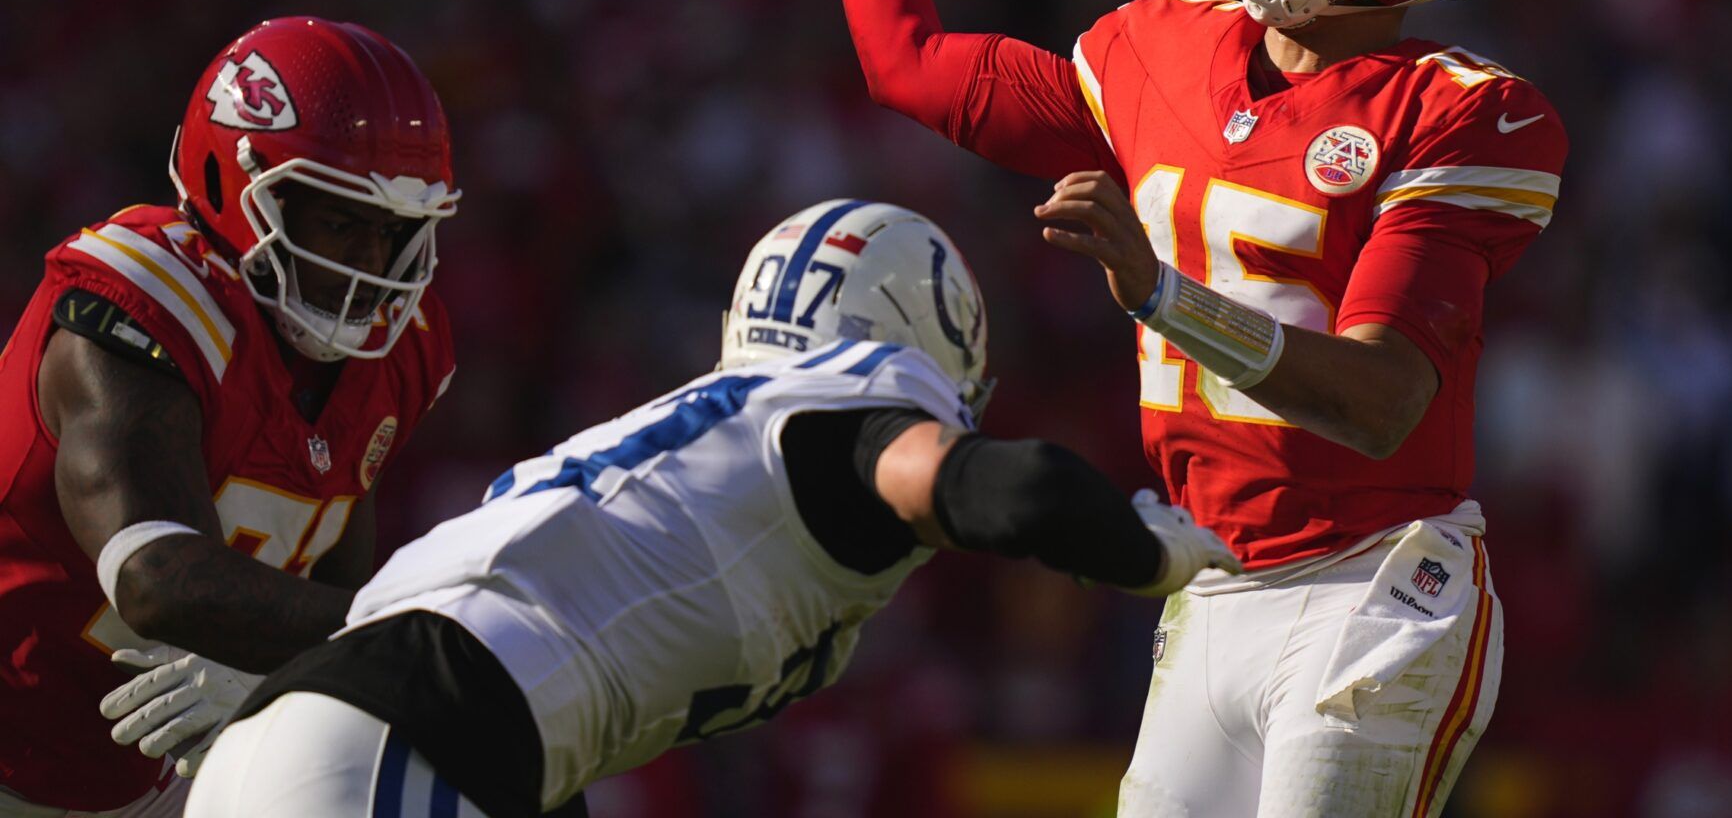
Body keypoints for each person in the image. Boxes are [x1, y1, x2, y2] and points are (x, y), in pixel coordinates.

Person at [813, 0, 1567, 816]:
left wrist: (1161, 293)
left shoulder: (1459, 113)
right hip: (1210, 582)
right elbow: (910, 61)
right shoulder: (1158, 48)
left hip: (1375, 582)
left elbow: (1379, 400)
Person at [183, 199, 1241, 818]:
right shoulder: (849, 407)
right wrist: (1150, 551)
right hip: (402, 747)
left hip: (330, 739)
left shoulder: (694, 444)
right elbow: (1016, 490)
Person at [0, 17, 461, 817]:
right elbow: (155, 578)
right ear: (232, 185)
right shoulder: (137, 302)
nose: (369, 267)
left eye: (393, 233)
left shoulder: (398, 352)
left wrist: (296, 671)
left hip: (143, 774)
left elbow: (329, 578)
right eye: (341, 222)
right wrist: (417, 636)